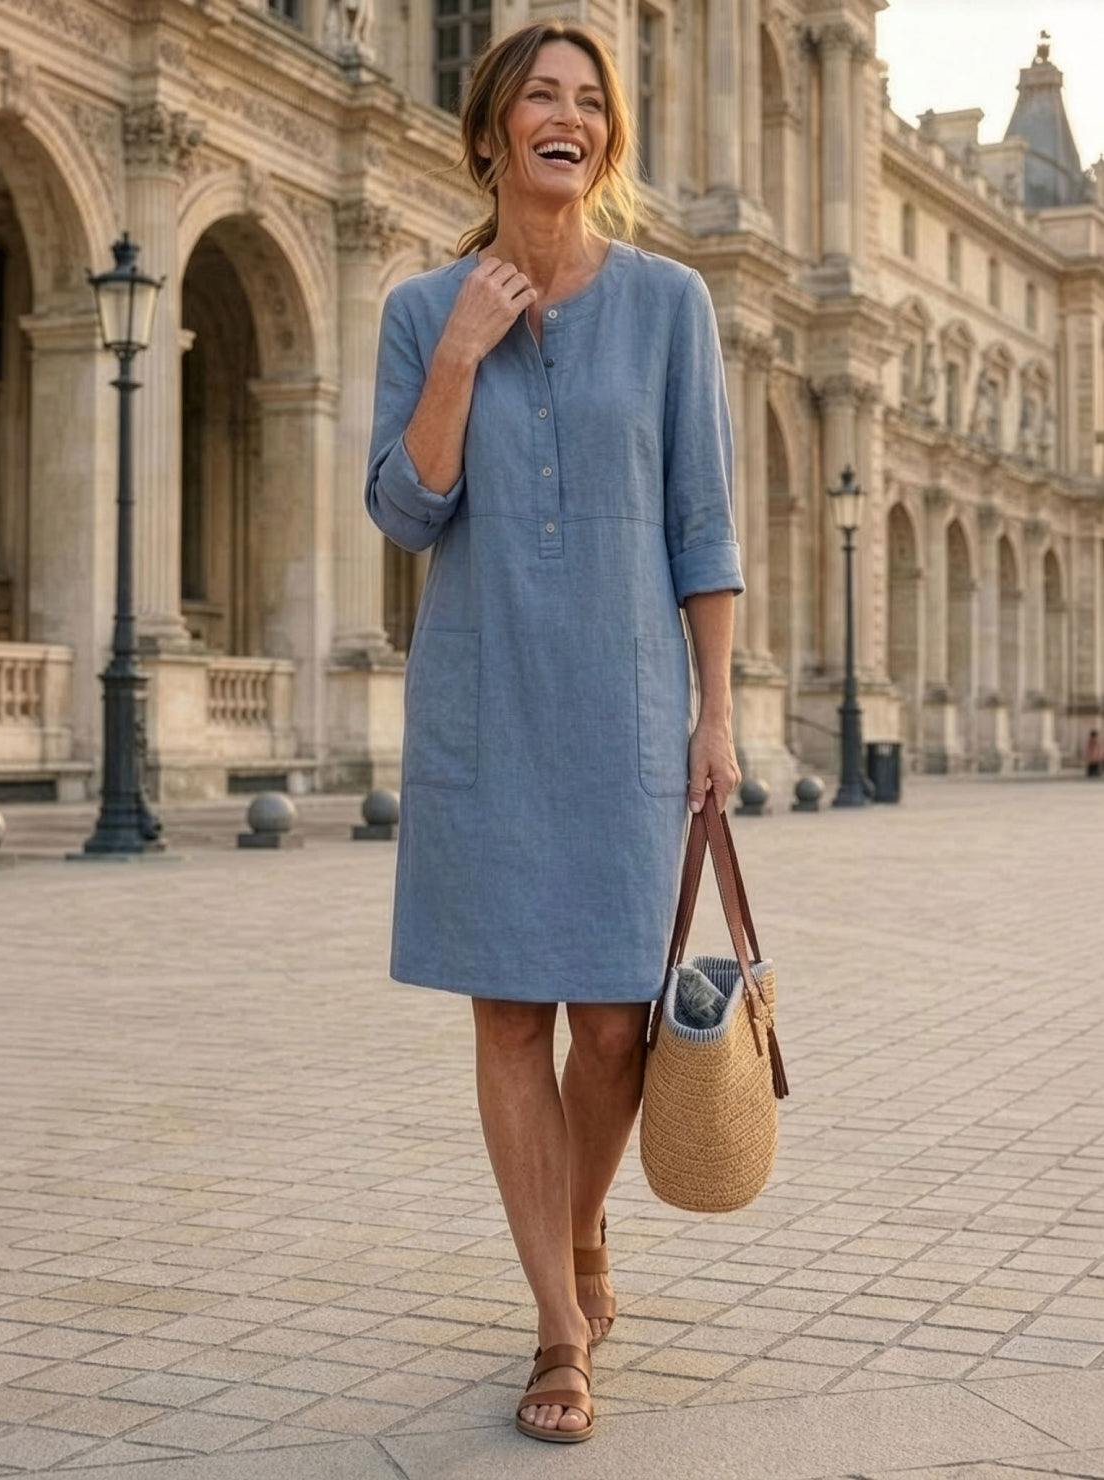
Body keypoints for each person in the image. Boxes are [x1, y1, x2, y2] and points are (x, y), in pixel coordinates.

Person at [364, 19, 744, 1444]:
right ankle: (556, 1326)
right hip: (483, 699)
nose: (566, 115)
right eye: (540, 95)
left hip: (630, 702)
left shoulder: (669, 307)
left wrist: (714, 711)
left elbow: (702, 523)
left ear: (606, 142)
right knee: (511, 1017)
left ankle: (577, 1231)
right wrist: (458, 354)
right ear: (489, 135)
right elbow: (405, 512)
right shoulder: (420, 307)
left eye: (590, 101)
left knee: (614, 1030)